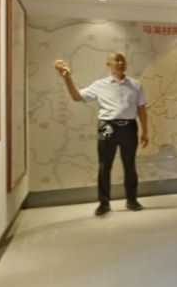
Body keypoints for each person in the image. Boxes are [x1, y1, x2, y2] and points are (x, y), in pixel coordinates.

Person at [54, 53, 148, 216]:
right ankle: (104, 203)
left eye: (122, 60)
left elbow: (141, 108)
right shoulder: (100, 85)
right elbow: (77, 97)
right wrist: (67, 78)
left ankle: (132, 200)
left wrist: (145, 131)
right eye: (116, 60)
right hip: (106, 125)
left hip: (129, 126)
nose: (120, 63)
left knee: (130, 165)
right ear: (108, 64)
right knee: (105, 165)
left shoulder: (135, 84)